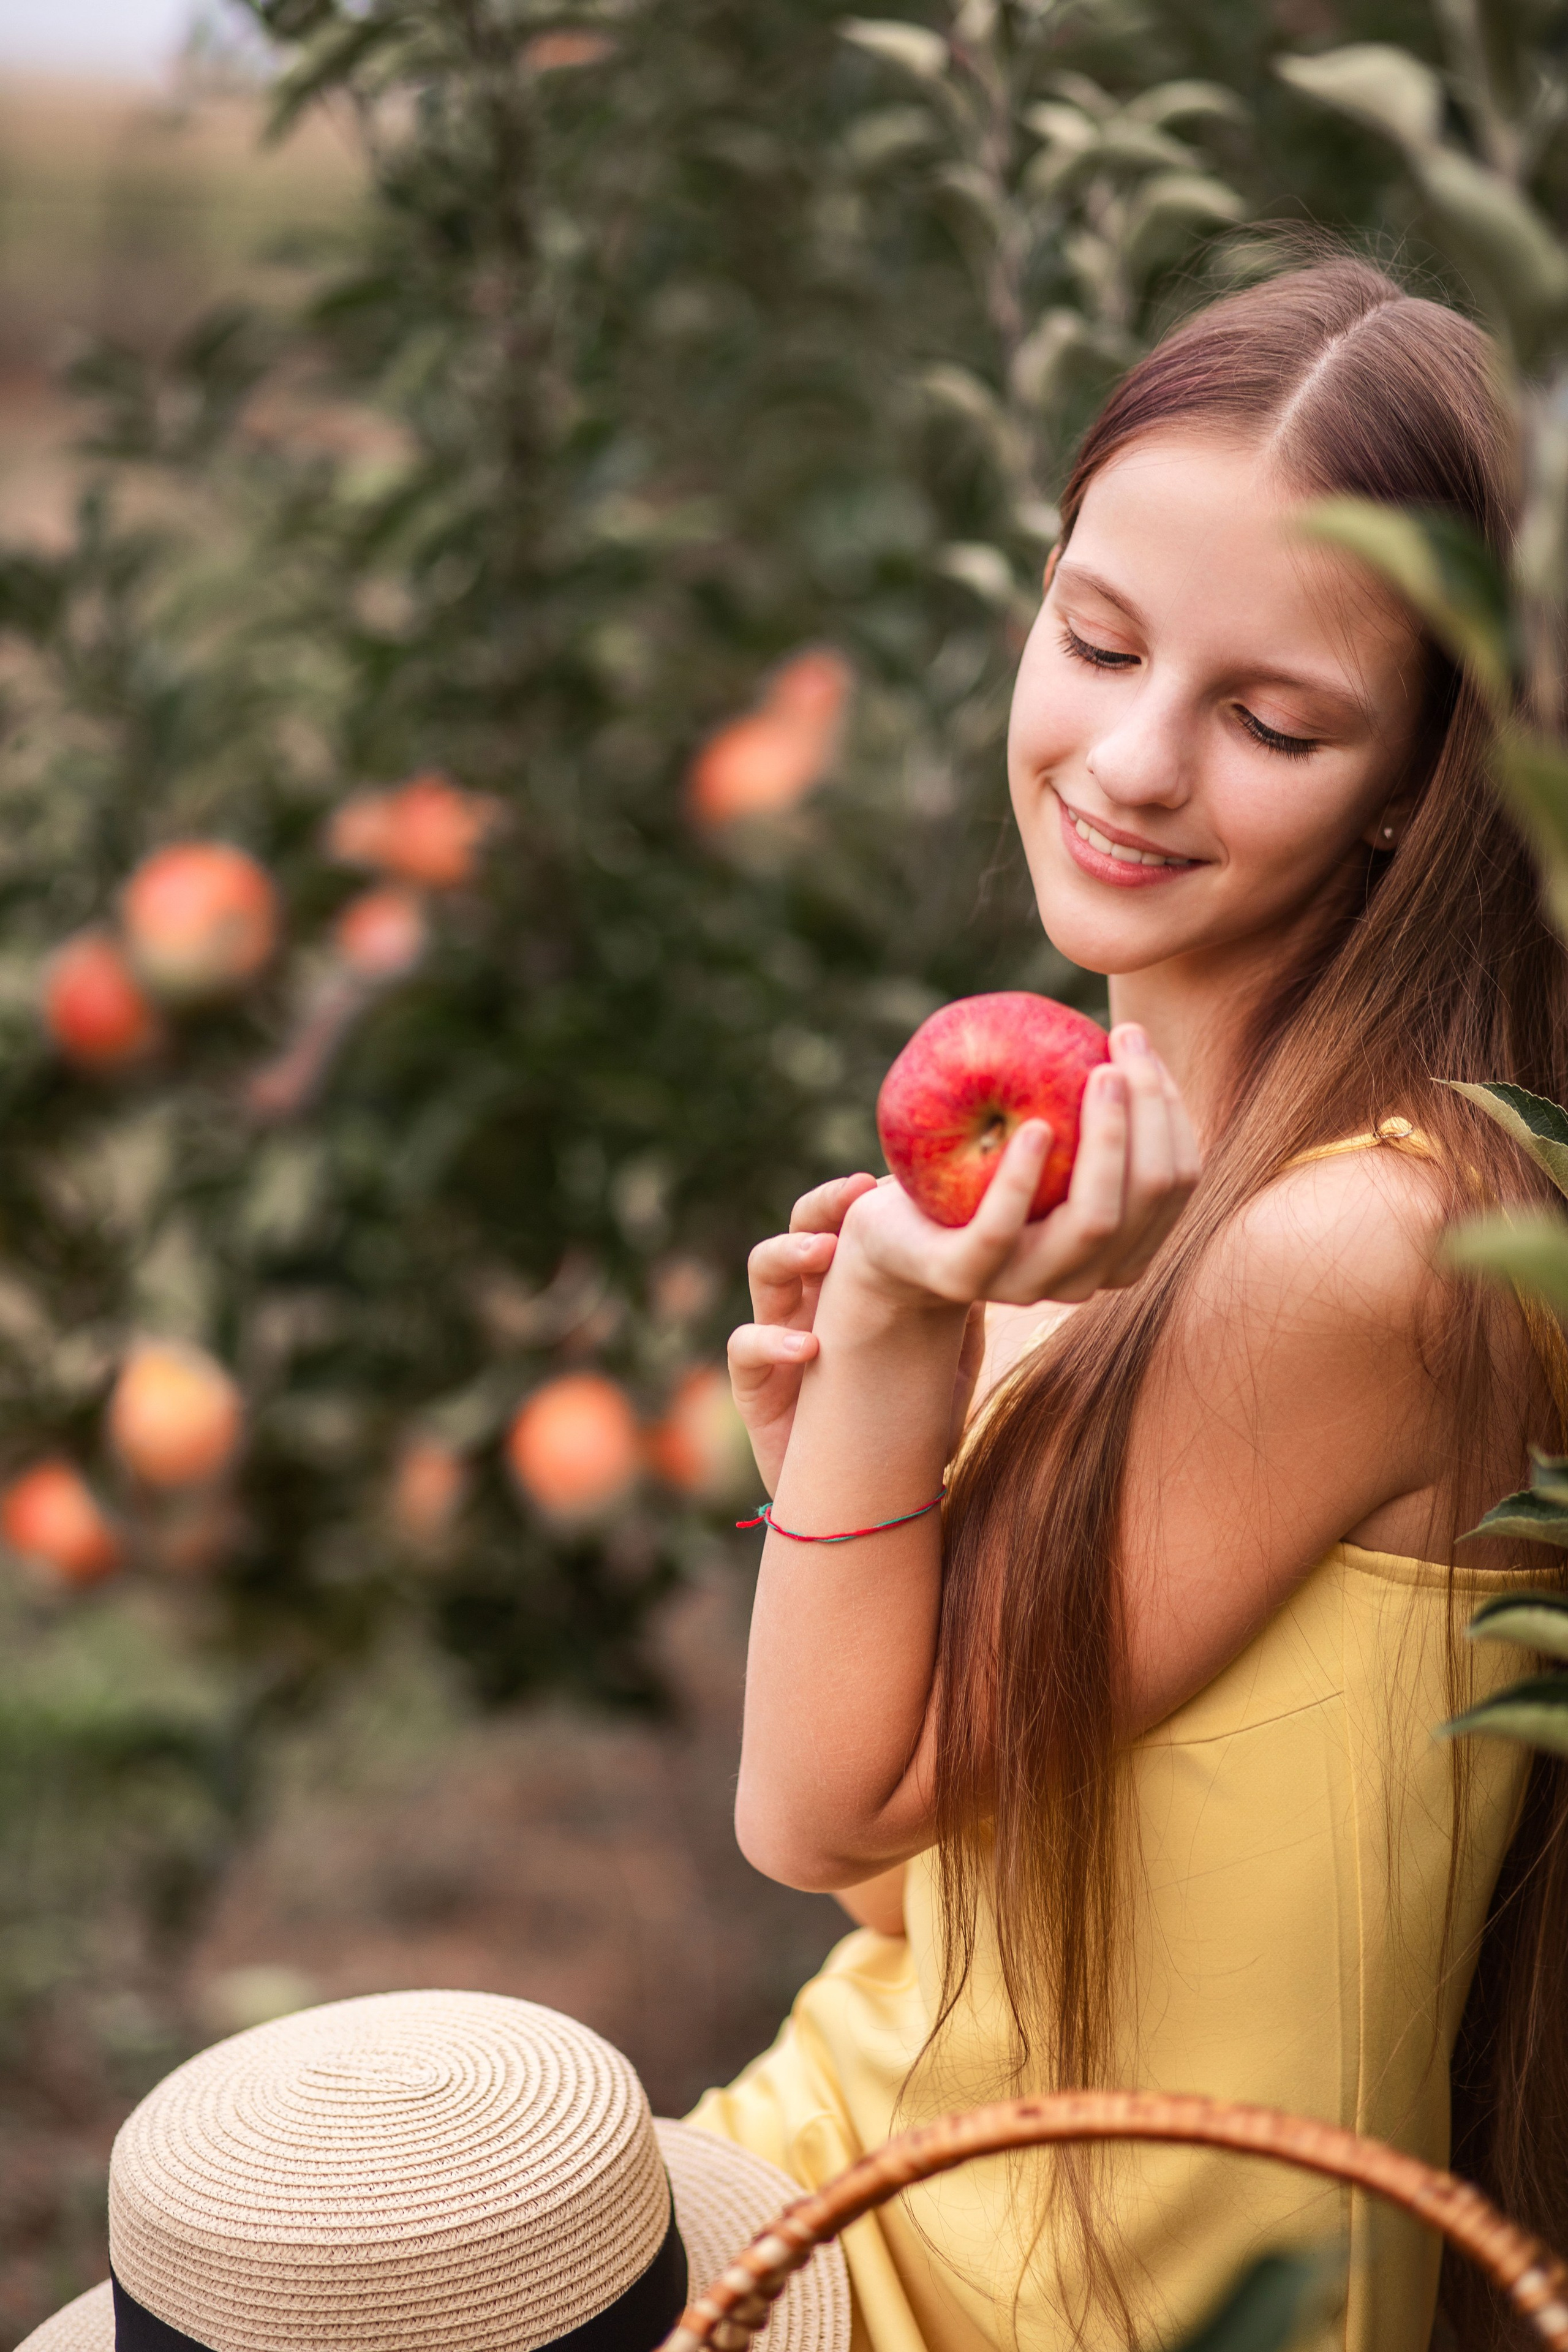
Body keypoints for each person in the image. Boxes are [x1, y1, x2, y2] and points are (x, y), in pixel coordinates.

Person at [688, 256, 1568, 2352]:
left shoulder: (1365, 1247)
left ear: (1418, 795)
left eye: (1274, 720)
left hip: (1044, 2304)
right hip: (871, 2167)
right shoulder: (1119, 1181)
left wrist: (903, 1346)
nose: (1135, 760)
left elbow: (806, 1813)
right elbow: (913, 1898)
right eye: (1093, 639)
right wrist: (843, 1473)